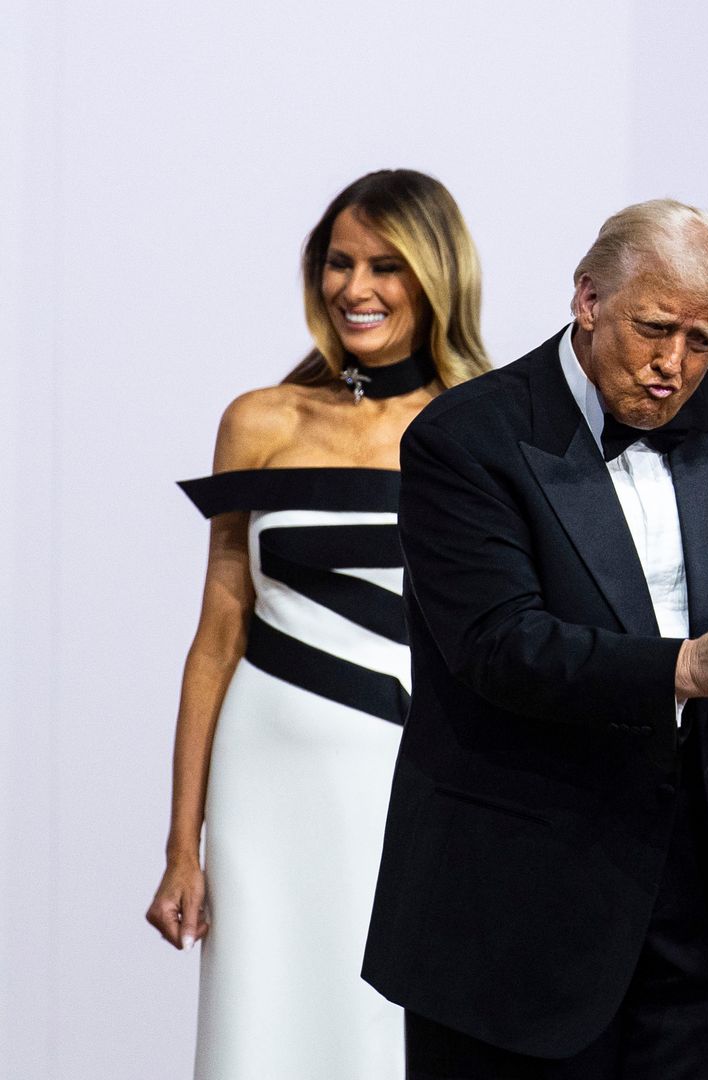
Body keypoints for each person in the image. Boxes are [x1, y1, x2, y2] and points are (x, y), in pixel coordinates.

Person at [360, 198, 708, 1079]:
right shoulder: (467, 437)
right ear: (587, 299)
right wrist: (690, 665)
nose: (673, 367)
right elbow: (501, 646)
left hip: (695, 892)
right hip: (515, 901)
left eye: (703, 343)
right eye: (654, 330)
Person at [146, 169, 489, 1079]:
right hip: (262, 781)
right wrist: (184, 846)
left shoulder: (481, 426)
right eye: (339, 263)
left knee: (384, 1032)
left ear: (435, 276)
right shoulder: (259, 420)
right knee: (260, 1023)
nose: (356, 289)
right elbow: (218, 631)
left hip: (412, 776)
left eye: (386, 266)